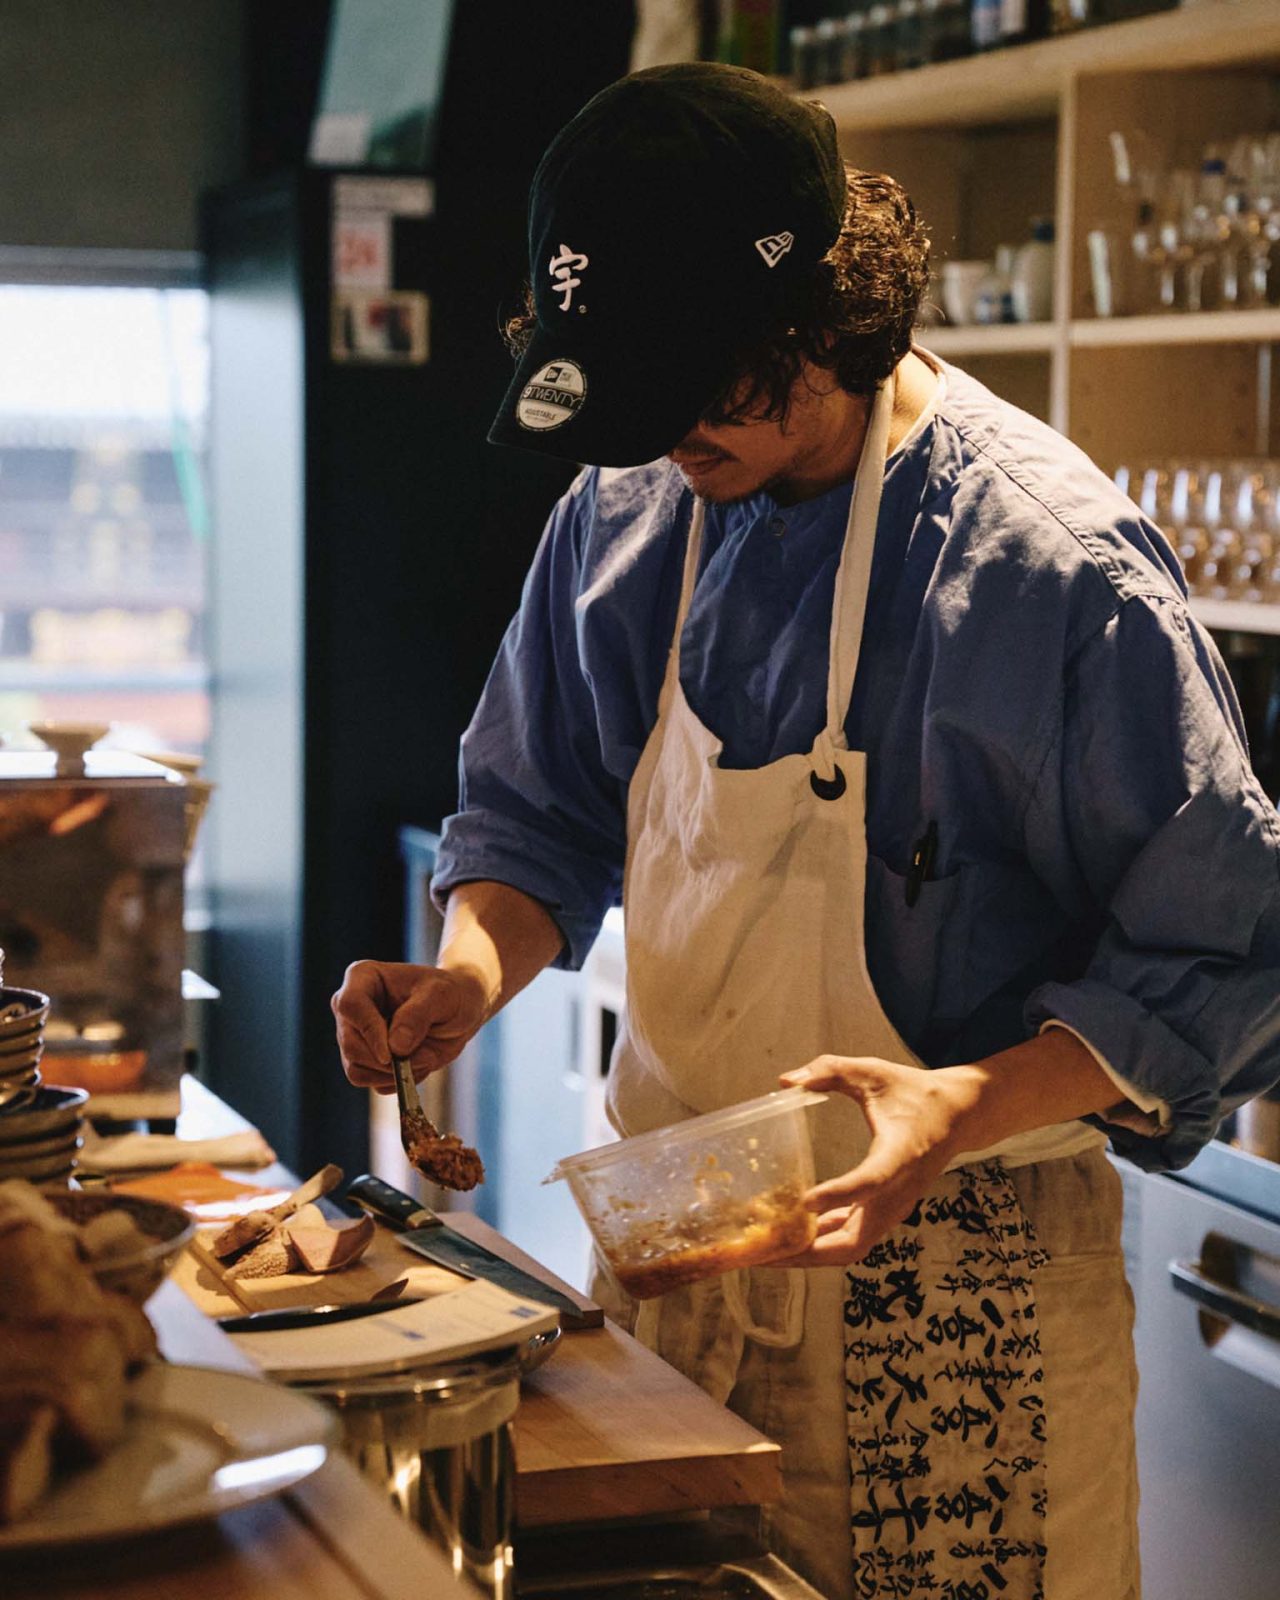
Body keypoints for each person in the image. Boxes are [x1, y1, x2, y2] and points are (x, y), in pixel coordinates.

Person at [333, 64, 1280, 1600]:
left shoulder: (1047, 569)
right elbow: (532, 810)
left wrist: (961, 1104)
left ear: (814, 329)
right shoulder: (629, 503)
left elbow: (1228, 948)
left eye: (687, 390)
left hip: (956, 1296)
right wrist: (469, 971)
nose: (657, 440)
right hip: (675, 1263)